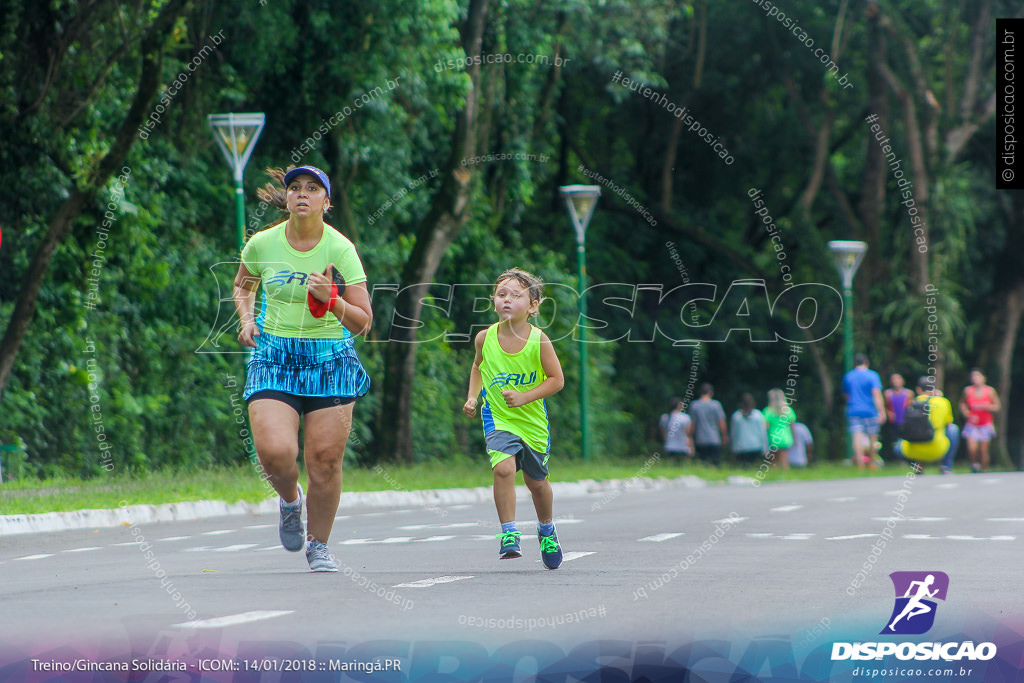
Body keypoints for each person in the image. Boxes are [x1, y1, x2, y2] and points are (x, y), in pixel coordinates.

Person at [233, 166, 373, 572]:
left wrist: (333, 300)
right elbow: (243, 285)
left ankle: (320, 545)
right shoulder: (263, 243)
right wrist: (246, 319)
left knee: (325, 460)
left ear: (326, 203)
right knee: (276, 452)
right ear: (288, 198)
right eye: (295, 187)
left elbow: (364, 322)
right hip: (274, 354)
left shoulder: (341, 249)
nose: (302, 194)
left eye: (313, 189)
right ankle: (291, 501)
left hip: (330, 357)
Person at [464, 268, 565, 568]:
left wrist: (524, 397)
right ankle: (509, 533)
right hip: (497, 417)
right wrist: (472, 397)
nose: (507, 300)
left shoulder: (539, 340)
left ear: (533, 306)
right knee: (504, 470)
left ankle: (546, 529)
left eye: (516, 295)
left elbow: (556, 380)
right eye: (501, 294)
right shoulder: (484, 338)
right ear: (493, 301)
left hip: (532, 423)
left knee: (537, 484)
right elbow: (477, 368)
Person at [898, 376, 954, 473]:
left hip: (911, 451)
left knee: (897, 446)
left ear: (918, 390)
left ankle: (917, 467)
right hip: (937, 449)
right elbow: (948, 422)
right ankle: (946, 466)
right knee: (953, 429)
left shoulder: (911, 403)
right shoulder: (943, 402)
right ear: (935, 390)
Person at [843, 353, 886, 471]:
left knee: (857, 436)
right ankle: (871, 462)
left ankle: (860, 464)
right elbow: (876, 394)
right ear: (866, 363)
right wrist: (881, 411)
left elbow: (847, 395)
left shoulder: (848, 376)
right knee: (873, 436)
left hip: (854, 409)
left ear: (854, 364)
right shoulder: (872, 375)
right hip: (870, 410)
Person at [959, 368, 1001, 473]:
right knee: (972, 448)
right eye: (973, 376)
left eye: (977, 376)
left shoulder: (990, 391)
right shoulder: (968, 391)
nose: (975, 379)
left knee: (983, 449)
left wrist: (986, 407)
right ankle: (974, 464)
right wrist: (965, 412)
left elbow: (997, 406)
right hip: (972, 424)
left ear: (983, 378)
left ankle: (984, 468)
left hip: (985, 423)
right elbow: (962, 403)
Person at [688, 383, 728, 466]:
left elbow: (692, 424)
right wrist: (724, 435)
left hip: (700, 439)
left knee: (702, 463)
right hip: (714, 439)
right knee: (715, 463)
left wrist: (689, 437)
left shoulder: (694, 405)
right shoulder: (716, 405)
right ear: (711, 393)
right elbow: (721, 422)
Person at [729, 393, 768, 464]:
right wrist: (765, 448)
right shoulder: (758, 415)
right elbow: (763, 433)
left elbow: (734, 434)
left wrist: (733, 448)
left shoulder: (736, 416)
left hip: (741, 448)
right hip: (756, 446)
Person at [763, 389, 796, 470]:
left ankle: (775, 475)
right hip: (785, 436)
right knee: (784, 459)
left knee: (773, 459)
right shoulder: (788, 411)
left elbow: (766, 427)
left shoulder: (768, 411)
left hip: (773, 436)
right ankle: (786, 474)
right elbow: (792, 426)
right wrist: (794, 438)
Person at [884, 373, 914, 460]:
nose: (895, 382)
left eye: (897, 379)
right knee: (895, 441)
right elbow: (886, 406)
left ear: (902, 381)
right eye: (893, 380)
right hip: (894, 421)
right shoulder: (888, 394)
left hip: (905, 421)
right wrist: (889, 413)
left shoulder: (908, 393)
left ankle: (906, 459)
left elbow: (912, 406)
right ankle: (897, 459)